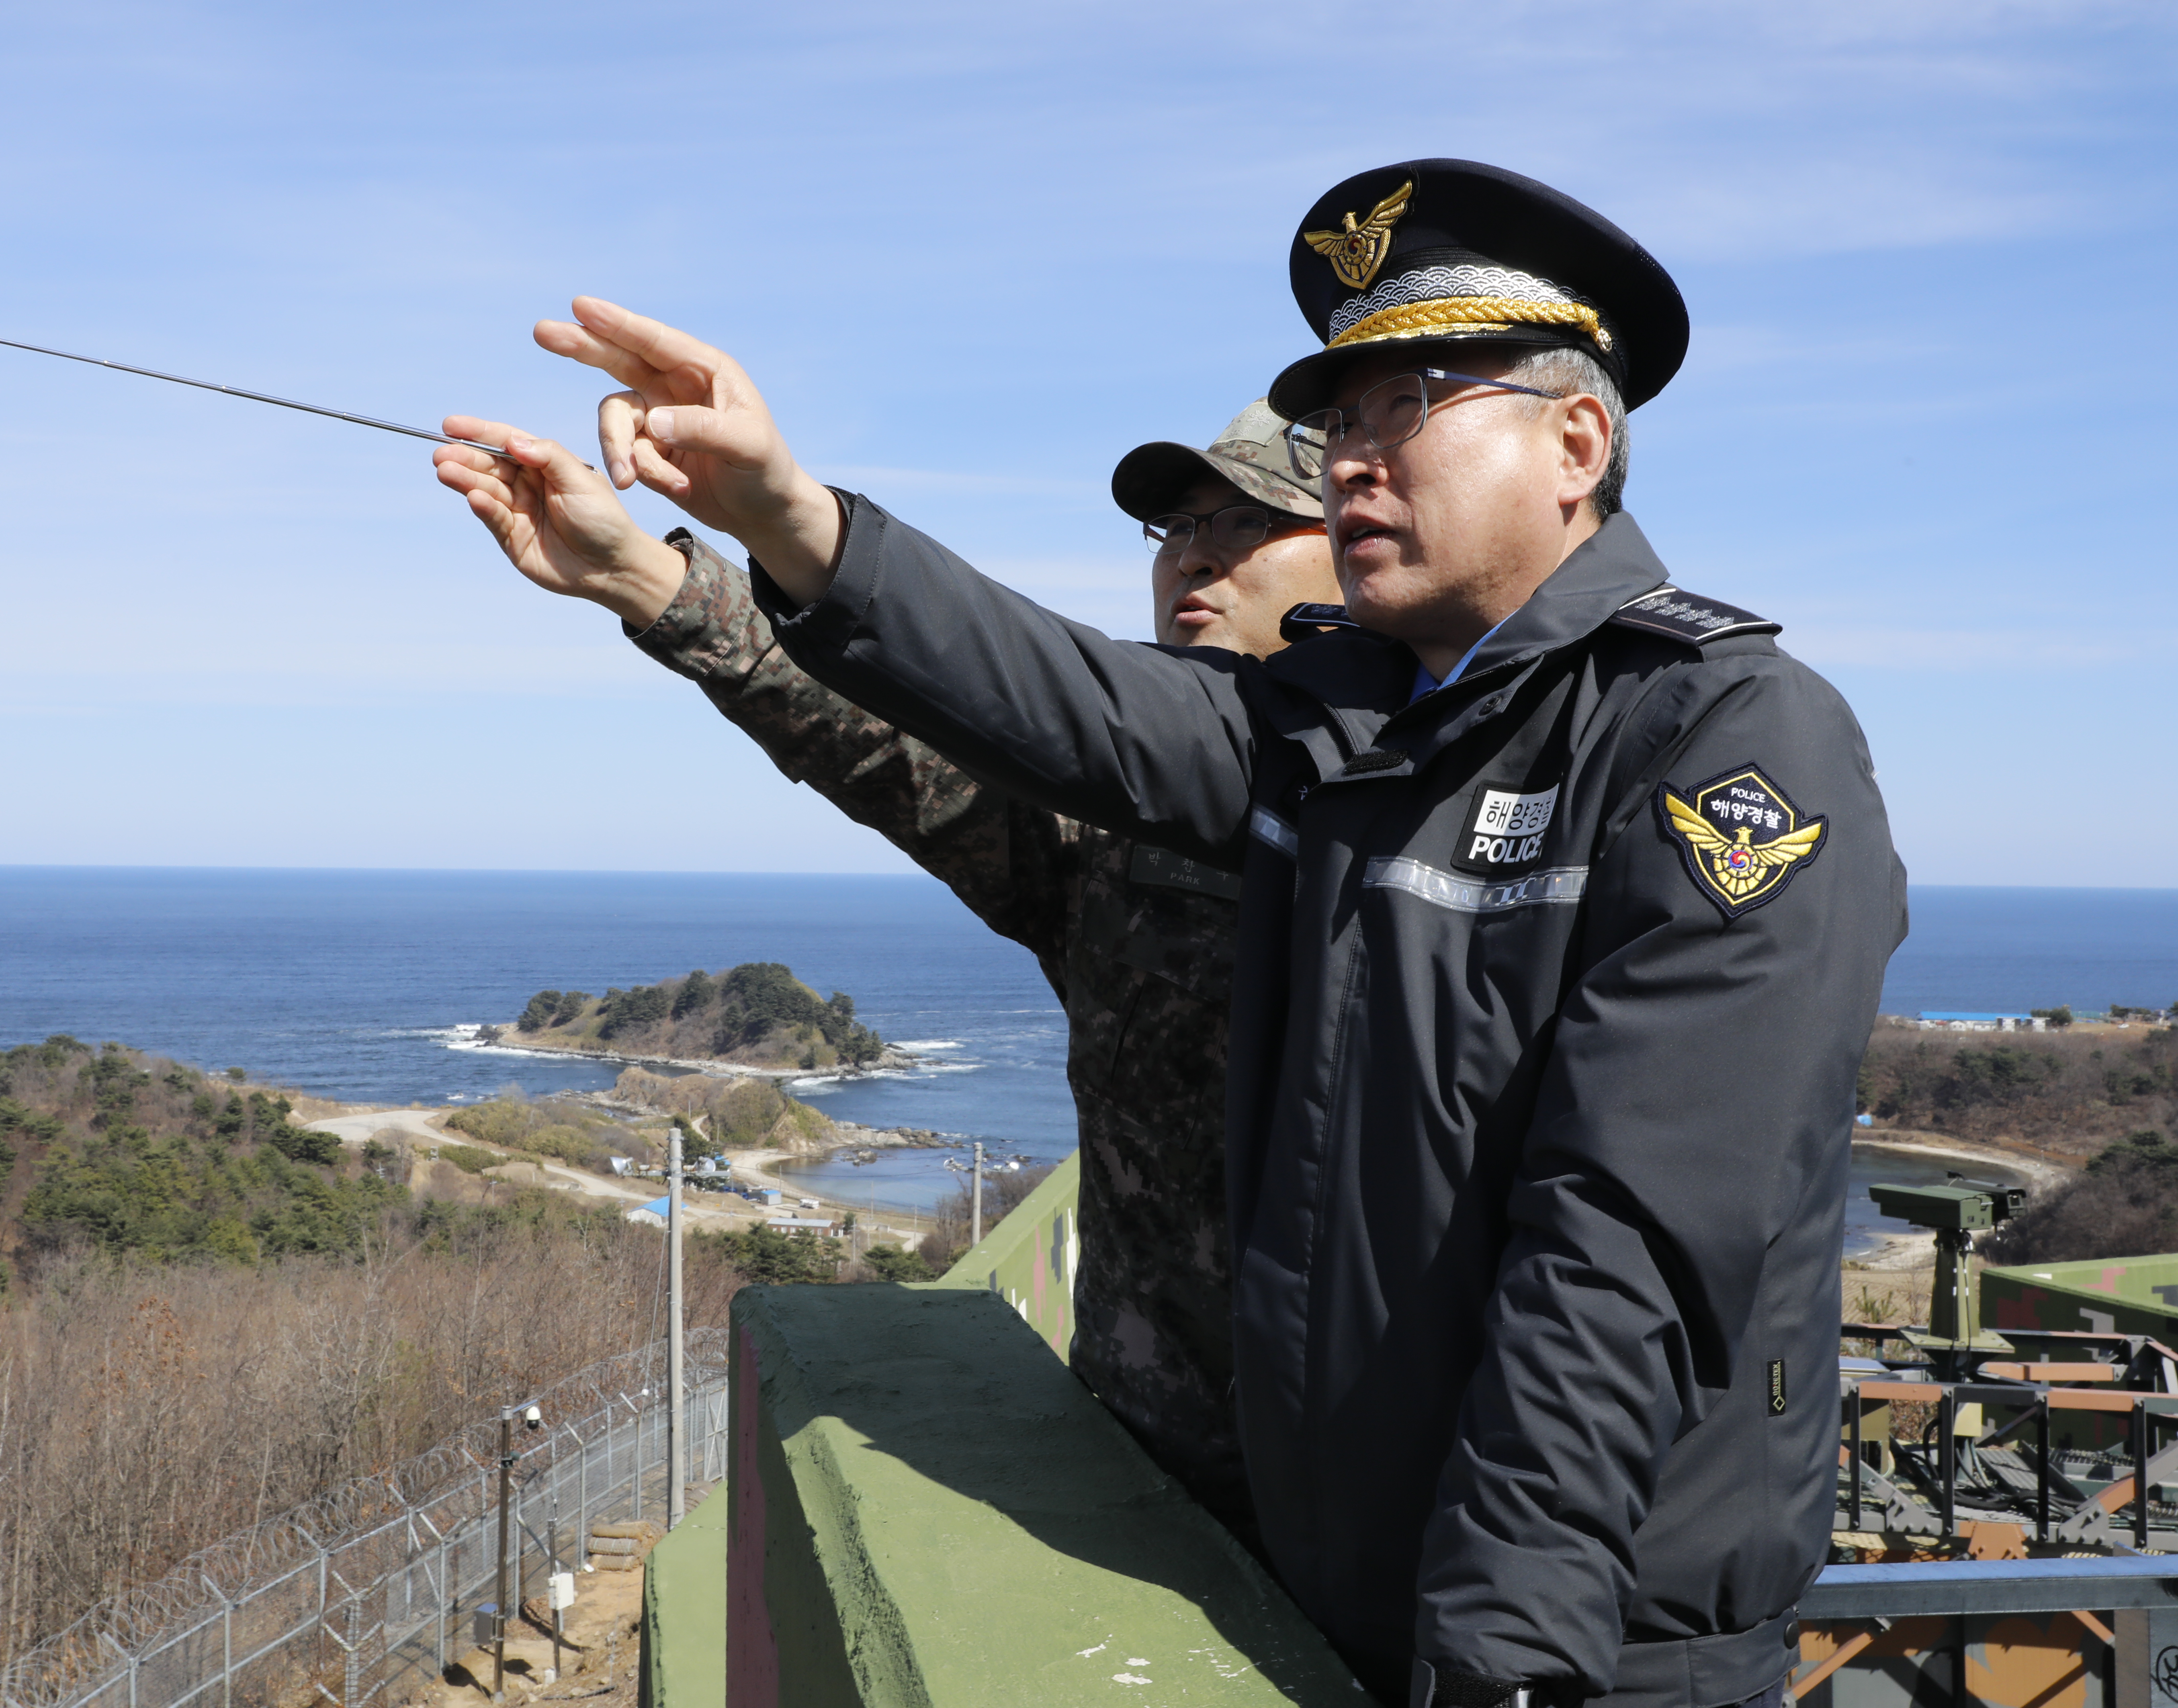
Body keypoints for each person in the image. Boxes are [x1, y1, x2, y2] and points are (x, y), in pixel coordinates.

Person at [434, 158, 1906, 1708]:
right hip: (1314, 1580)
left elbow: (1626, 1247)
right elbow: (1048, 700)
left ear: (1577, 440)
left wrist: (1505, 1668)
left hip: (1590, 1645)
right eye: (1337, 420)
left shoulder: (1722, 739)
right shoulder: (1335, 738)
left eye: (1405, 404)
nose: (1351, 460)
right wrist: (784, 520)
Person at [430, 395, 1337, 1542]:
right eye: (1175, 527)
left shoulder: (1484, 807)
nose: (1197, 551)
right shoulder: (1112, 841)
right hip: (1159, 1479)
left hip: (1407, 1514)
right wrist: (648, 586)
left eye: (1250, 520)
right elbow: (888, 740)